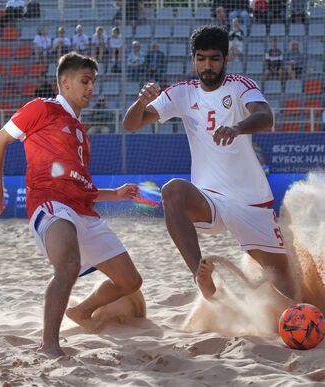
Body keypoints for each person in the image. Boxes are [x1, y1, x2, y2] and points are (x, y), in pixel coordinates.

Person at [0, 52, 144, 357]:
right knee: (67, 265)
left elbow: (83, 188)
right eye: (85, 81)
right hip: (49, 204)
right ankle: (49, 345)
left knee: (131, 281)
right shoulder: (42, 108)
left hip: (83, 211)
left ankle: (81, 312)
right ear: (65, 82)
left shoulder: (82, 132)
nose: (91, 88)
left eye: (94, 82)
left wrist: (117, 194)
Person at [123, 25, 296, 302]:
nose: (207, 65)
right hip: (209, 199)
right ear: (193, 59)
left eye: (214, 58)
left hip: (250, 202)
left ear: (226, 59)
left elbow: (266, 117)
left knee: (289, 287)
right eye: (201, 58)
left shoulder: (240, 86)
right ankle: (200, 275)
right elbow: (131, 125)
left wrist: (237, 128)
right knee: (173, 190)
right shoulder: (182, 93)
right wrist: (140, 102)